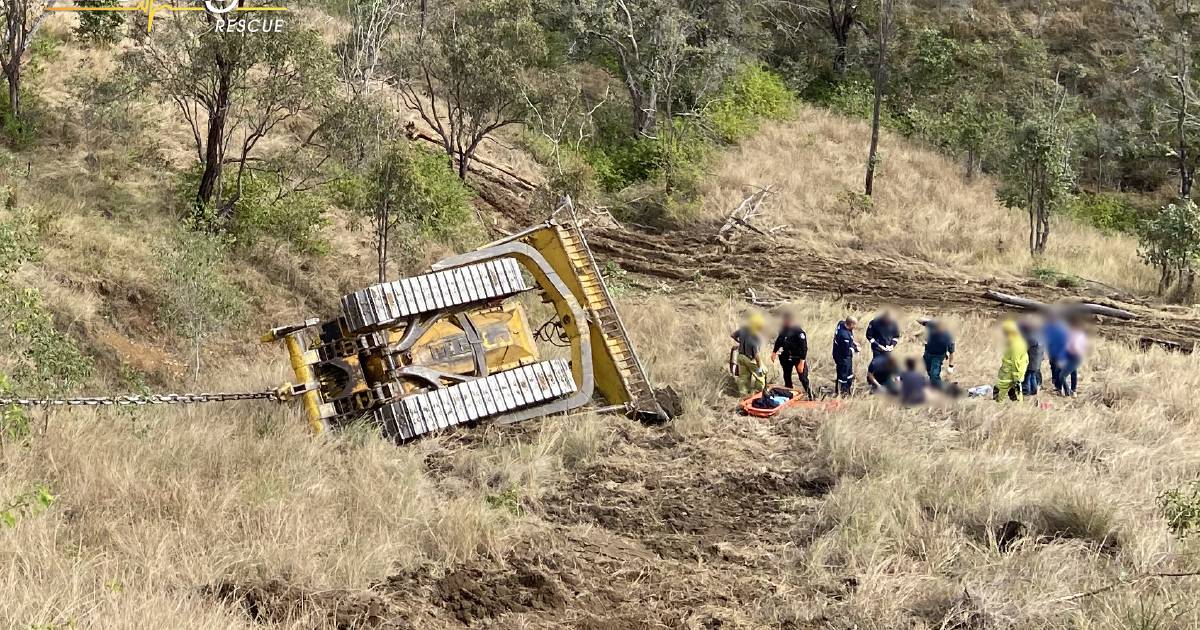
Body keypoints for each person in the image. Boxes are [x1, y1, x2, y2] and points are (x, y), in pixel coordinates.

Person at [772, 312, 813, 399]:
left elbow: (804, 348)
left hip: (798, 357)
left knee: (803, 378)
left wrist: (802, 362)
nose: (785, 323)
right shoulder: (784, 329)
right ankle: (789, 395)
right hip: (786, 357)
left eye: (786, 321)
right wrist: (774, 352)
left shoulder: (799, 332)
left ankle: (811, 395)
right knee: (787, 377)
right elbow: (779, 340)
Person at [731, 312, 767, 396]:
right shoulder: (755, 338)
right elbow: (757, 357)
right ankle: (757, 393)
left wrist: (740, 342)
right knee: (761, 375)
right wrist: (759, 368)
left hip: (740, 357)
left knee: (743, 377)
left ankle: (743, 395)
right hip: (750, 359)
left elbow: (732, 335)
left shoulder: (743, 329)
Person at [995, 320, 1029, 403]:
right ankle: (1017, 404)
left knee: (1003, 391)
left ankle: (1001, 404)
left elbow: (1015, 362)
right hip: (1009, 371)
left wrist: (1016, 378)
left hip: (1011, 372)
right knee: (1014, 391)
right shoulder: (1015, 340)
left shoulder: (1015, 344)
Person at [922, 319, 956, 389]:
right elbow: (918, 319)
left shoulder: (948, 338)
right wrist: (929, 321)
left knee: (934, 374)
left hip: (938, 356)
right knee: (929, 371)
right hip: (928, 354)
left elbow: (952, 353)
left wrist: (951, 366)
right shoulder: (932, 326)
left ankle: (939, 389)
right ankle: (933, 385)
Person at [832, 316, 860, 397]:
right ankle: (842, 392)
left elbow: (849, 339)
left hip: (839, 352)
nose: (855, 327)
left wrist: (853, 342)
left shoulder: (841, 323)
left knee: (849, 374)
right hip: (842, 357)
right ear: (851, 324)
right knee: (843, 375)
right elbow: (846, 351)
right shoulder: (844, 335)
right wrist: (856, 349)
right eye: (855, 325)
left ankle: (847, 389)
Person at [1043, 314, 1070, 395]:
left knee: (1059, 369)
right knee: (1053, 367)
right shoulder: (1047, 326)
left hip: (1060, 352)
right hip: (1052, 351)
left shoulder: (1062, 328)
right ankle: (1055, 383)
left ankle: (1059, 387)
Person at [1061, 320, 1088, 397]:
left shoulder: (1077, 336)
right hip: (1074, 356)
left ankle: (1068, 392)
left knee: (1062, 376)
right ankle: (1073, 390)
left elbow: (1074, 347)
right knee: (1074, 372)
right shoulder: (1076, 335)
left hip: (1075, 356)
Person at [1019, 318, 1044, 396]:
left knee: (1027, 377)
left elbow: (1024, 348)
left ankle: (1026, 391)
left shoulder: (1030, 338)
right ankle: (1034, 390)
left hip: (1031, 361)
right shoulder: (1040, 337)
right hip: (1037, 362)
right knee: (1033, 376)